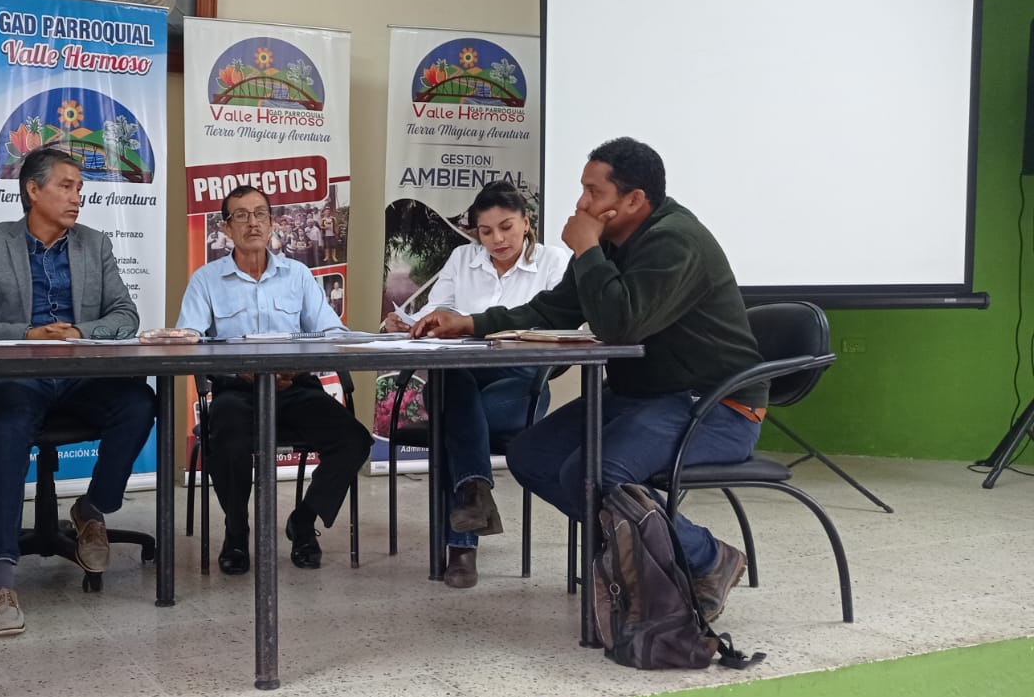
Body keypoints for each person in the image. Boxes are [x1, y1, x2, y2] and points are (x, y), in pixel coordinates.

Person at [413, 137, 761, 620]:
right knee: (531, 455)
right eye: (583, 190)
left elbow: (621, 325)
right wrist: (469, 323)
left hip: (715, 406)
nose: (581, 203)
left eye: (594, 193)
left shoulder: (674, 241)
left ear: (634, 200)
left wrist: (588, 248)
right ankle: (649, 554)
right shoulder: (613, 243)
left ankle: (704, 557)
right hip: (643, 397)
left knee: (594, 472)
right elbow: (552, 310)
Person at [0, 146, 154, 637]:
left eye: (80, 188)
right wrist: (27, 333)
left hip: (80, 374)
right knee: (8, 422)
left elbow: (126, 316)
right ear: (33, 190)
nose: (77, 196)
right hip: (17, 374)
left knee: (140, 402)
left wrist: (80, 332)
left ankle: (92, 509)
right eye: (66, 186)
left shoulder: (95, 245)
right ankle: (1, 578)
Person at [384, 181, 571, 588]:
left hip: (522, 382)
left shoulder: (554, 262)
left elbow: (556, 322)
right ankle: (472, 493)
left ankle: (463, 545)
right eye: (485, 231)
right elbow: (439, 308)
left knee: (453, 423)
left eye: (506, 227)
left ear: (526, 222)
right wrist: (414, 322)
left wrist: (479, 326)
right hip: (463, 374)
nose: (497, 240)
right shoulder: (462, 258)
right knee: (452, 387)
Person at [177, 185, 372, 573]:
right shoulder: (206, 280)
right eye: (241, 215)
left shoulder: (297, 275)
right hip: (238, 390)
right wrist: (238, 371)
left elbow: (331, 332)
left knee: (354, 440)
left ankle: (304, 520)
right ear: (226, 228)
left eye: (260, 214)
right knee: (226, 439)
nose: (252, 223)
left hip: (294, 387)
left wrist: (297, 368)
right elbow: (191, 342)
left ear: (272, 223)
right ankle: (236, 531)